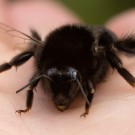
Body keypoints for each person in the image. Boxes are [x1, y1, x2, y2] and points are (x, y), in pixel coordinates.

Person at [0, 1, 135, 134]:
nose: (61, 94)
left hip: (97, 38)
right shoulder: (42, 52)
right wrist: (9, 64)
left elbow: (110, 51)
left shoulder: (96, 55)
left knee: (111, 49)